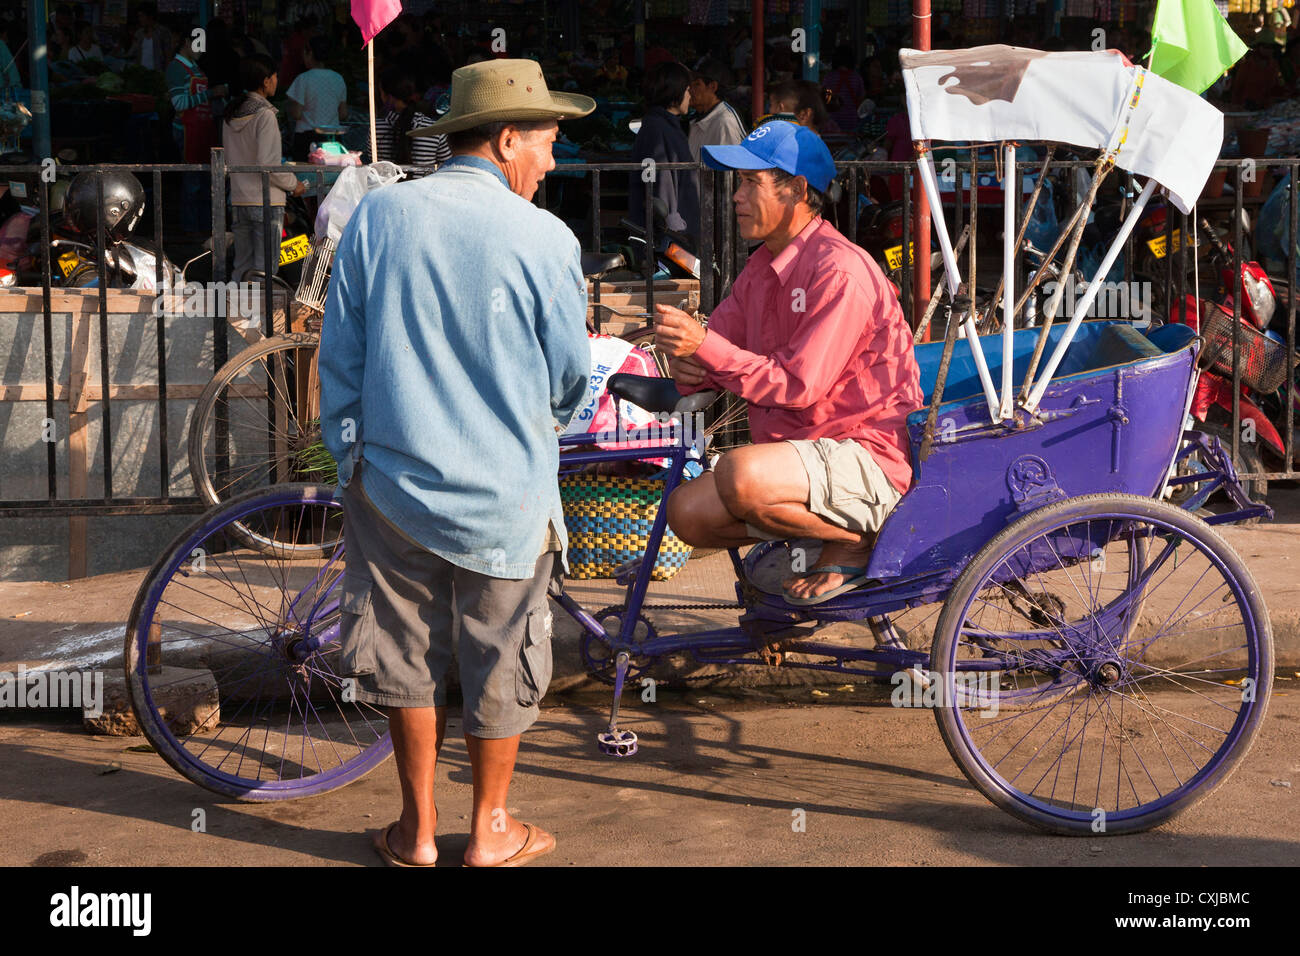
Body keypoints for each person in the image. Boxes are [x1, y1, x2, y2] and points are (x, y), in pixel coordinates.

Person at [319, 58, 594, 868]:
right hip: (506, 496)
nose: (551, 161)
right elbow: (572, 375)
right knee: (500, 653)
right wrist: (539, 427)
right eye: (546, 143)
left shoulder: (380, 217)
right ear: (507, 138)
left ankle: (417, 832)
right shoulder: (544, 237)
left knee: (402, 656)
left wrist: (351, 457)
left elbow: (341, 356)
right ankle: (493, 829)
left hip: (394, 486)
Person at [655, 121, 923, 605]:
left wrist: (705, 347)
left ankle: (853, 540)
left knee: (740, 475)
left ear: (797, 190)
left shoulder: (839, 270)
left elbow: (798, 386)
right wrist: (691, 361)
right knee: (685, 513)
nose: (736, 197)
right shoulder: (761, 268)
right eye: (738, 183)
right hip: (798, 456)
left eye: (750, 183)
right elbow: (718, 346)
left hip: (863, 456)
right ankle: (814, 532)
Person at [222, 53, 307, 281]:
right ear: (266, 81)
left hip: (239, 199)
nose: (277, 81)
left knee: (241, 267)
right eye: (275, 76)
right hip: (266, 202)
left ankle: (237, 313)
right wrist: (294, 185)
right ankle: (259, 316)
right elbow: (268, 165)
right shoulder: (265, 116)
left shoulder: (231, 115)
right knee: (264, 269)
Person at [630, 60, 700, 241]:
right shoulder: (657, 128)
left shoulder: (665, 125)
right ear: (674, 91)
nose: (690, 96)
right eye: (687, 90)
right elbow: (658, 181)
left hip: (676, 231)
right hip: (670, 238)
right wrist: (673, 227)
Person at [166, 30, 225, 231]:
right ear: (186, 42)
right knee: (192, 182)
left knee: (203, 182)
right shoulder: (176, 68)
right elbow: (179, 103)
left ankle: (204, 227)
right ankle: (191, 229)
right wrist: (211, 94)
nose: (202, 50)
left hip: (202, 130)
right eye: (198, 44)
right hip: (187, 131)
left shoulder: (194, 67)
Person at [374, 69, 451, 173]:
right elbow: (447, 165)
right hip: (425, 188)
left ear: (387, 96)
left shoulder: (376, 128)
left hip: (386, 188)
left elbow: (374, 162)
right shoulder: (434, 129)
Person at [286, 37, 348, 160]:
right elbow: (343, 114)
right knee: (330, 176)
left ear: (310, 54)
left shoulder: (303, 79)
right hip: (333, 140)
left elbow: (297, 114)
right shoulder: (338, 78)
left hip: (306, 139)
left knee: (305, 177)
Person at [687, 57, 746, 162]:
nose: (690, 90)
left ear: (713, 87)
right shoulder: (698, 119)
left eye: (696, 84)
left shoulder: (725, 121)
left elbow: (731, 170)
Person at [822, 45, 865, 134]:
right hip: (851, 119)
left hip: (833, 119)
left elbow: (825, 98)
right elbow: (861, 98)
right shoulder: (856, 78)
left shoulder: (829, 77)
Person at [125, 3, 172, 72]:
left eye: (142, 16)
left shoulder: (163, 32)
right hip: (141, 73)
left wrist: (166, 74)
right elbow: (132, 52)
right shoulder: (139, 33)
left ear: (150, 16)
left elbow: (168, 56)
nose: (140, 19)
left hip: (157, 73)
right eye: (139, 16)